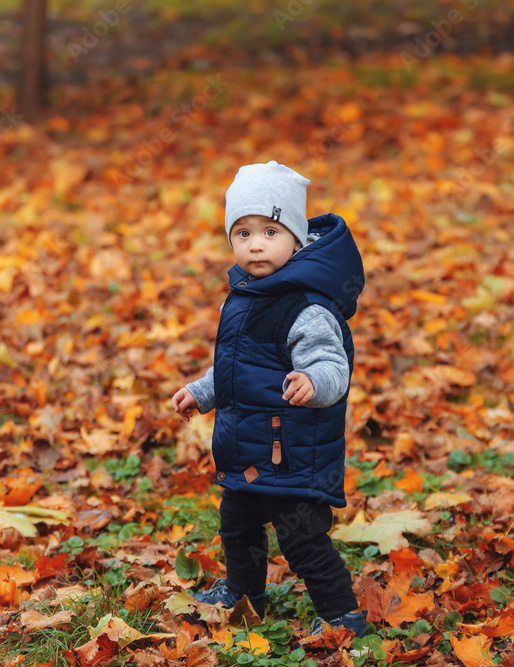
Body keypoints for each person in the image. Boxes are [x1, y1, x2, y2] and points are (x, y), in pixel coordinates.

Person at [171, 160, 368, 637]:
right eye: (242, 233)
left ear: (296, 240)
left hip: (291, 453)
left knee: (303, 541)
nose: (255, 243)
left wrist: (313, 382)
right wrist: (202, 392)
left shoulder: (307, 306)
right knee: (236, 528)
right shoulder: (242, 296)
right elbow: (235, 368)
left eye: (270, 230)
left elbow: (332, 367)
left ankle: (342, 616)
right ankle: (244, 593)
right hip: (247, 449)